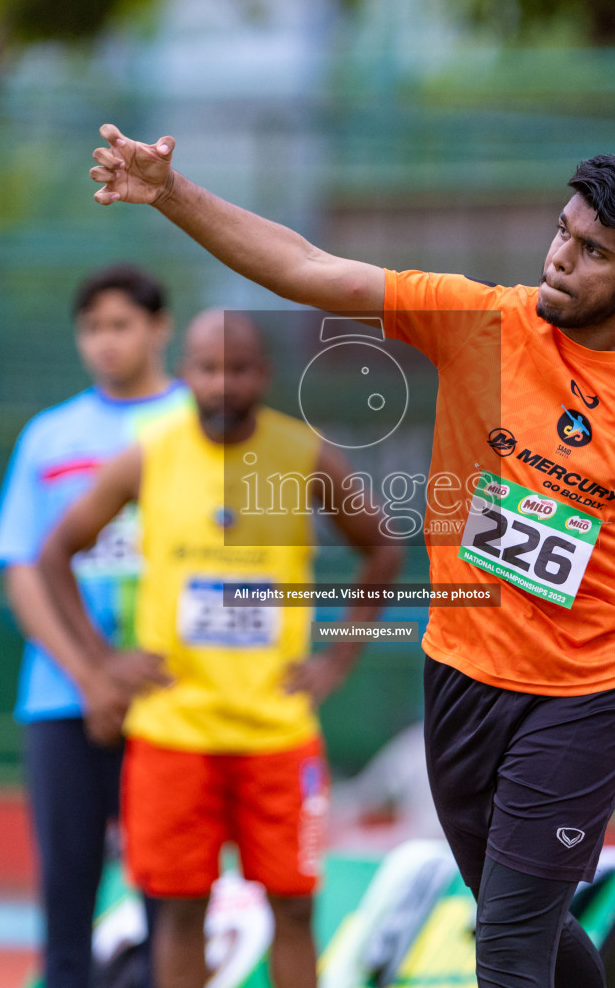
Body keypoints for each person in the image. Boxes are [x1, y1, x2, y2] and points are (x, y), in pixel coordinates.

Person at [89, 125, 615, 988]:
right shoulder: (483, 324)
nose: (561, 260)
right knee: (514, 915)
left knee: (503, 942)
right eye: (562, 233)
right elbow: (308, 267)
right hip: (462, 672)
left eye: (592, 252)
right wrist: (172, 194)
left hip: (586, 693)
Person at [36, 309, 403, 988]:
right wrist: (101, 662)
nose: (223, 383)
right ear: (186, 374)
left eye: (239, 368)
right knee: (178, 912)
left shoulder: (304, 455)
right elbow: (56, 551)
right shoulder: (151, 452)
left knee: (294, 907)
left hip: (277, 730)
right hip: (174, 730)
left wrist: (338, 657)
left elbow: (382, 548)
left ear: (263, 374)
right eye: (208, 368)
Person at [0, 265, 188, 988]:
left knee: (174, 902)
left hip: (176, 700)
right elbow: (23, 568)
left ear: (160, 328)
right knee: (65, 894)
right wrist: (92, 673)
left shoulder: (201, 426)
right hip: (61, 699)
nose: (107, 342)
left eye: (122, 325)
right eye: (94, 328)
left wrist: (151, 672)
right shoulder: (49, 436)